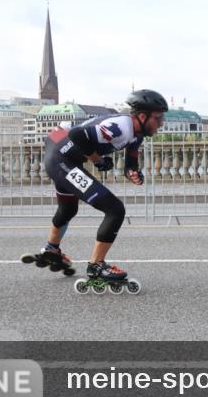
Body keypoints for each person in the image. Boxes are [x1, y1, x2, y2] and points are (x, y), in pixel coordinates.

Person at [27, 90, 167, 282]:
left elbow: (130, 164)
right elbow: (77, 134)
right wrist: (97, 159)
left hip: (64, 157)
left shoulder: (137, 136)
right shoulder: (120, 128)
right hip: (62, 159)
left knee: (68, 209)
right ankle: (96, 266)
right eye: (159, 118)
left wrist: (132, 173)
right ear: (142, 116)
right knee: (115, 209)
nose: (162, 123)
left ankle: (52, 249)